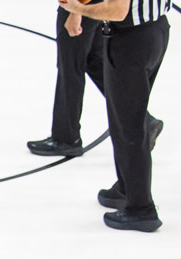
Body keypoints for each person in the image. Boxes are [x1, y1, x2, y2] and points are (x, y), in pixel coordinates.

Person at [63, 0, 171, 231]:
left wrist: (78, 10)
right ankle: (127, 188)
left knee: (128, 126)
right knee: (128, 118)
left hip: (130, 41)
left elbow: (118, 10)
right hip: (156, 30)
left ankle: (141, 209)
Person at [26, 7, 160, 159]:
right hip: (92, 7)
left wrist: (75, 13)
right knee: (92, 60)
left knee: (70, 66)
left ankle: (66, 138)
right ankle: (144, 121)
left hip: (79, 6)